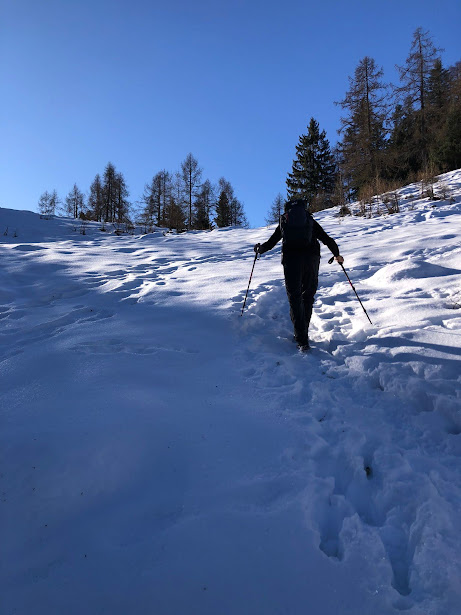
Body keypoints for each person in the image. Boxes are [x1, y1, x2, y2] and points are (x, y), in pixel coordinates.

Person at [254, 198, 344, 351]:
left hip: (291, 262)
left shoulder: (284, 222)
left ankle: (301, 339)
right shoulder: (310, 221)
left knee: (295, 298)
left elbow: (271, 243)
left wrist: (259, 249)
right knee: (307, 297)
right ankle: (304, 332)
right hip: (311, 261)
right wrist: (337, 255)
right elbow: (327, 239)